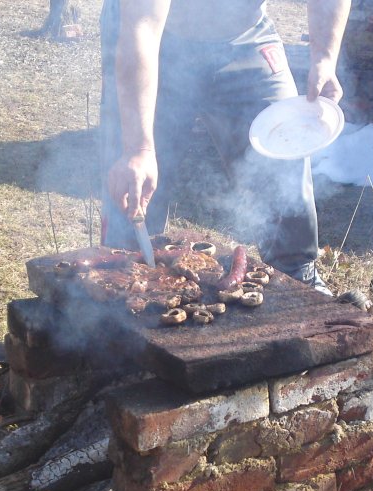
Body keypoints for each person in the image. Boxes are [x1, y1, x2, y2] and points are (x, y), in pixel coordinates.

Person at [99, 0, 351, 294]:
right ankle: (121, 277)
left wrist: (324, 59)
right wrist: (138, 149)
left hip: (247, 36)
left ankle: (296, 274)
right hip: (153, 39)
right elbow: (141, 28)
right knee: (135, 178)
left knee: (285, 142)